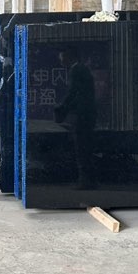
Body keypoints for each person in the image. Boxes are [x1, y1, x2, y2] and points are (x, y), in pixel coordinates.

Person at [53, 51, 97, 189]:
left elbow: (73, 92)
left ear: (69, 57)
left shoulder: (76, 70)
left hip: (82, 113)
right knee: (86, 146)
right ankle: (88, 179)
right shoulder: (83, 69)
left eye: (62, 58)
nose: (61, 62)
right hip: (88, 113)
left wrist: (63, 107)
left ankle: (85, 180)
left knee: (81, 146)